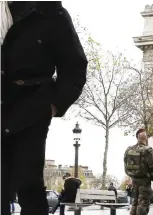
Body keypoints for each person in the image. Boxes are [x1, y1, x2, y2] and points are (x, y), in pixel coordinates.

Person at [1, 2, 87, 215]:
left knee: (29, 187)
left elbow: (74, 66)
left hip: (29, 111)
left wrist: (53, 104)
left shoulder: (50, 11)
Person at [124, 128, 153, 215]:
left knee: (135, 203)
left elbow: (126, 166)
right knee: (143, 204)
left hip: (134, 181)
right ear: (146, 138)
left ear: (137, 137)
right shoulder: (147, 150)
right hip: (144, 182)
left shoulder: (129, 149)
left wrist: (132, 175)